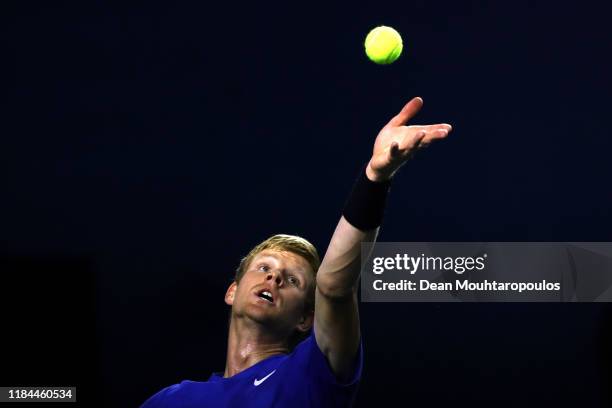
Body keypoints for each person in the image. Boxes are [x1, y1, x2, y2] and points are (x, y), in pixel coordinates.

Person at [141, 97, 452, 407]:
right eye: (263, 268)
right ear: (232, 291)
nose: (274, 277)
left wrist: (375, 178)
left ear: (305, 319)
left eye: (292, 281)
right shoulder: (171, 400)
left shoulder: (311, 374)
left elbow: (334, 287)